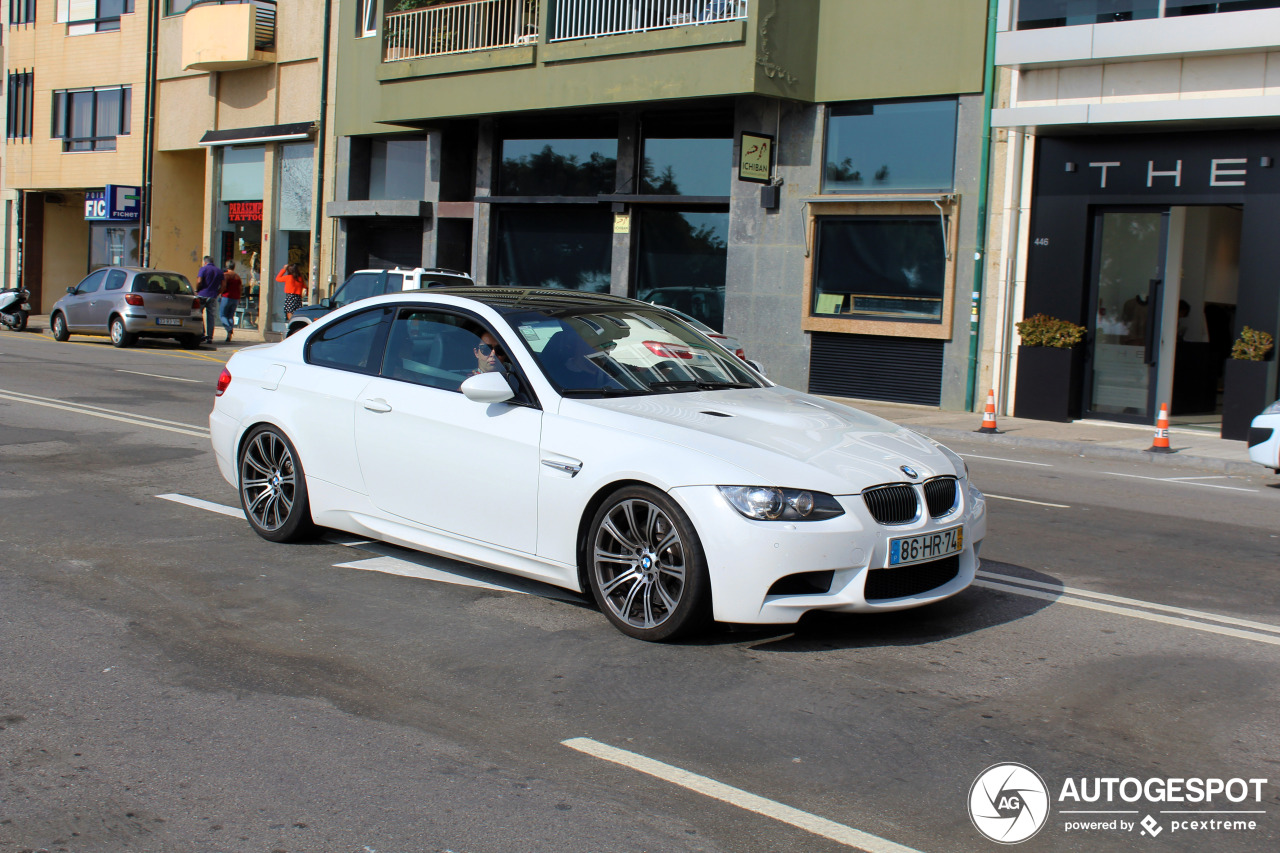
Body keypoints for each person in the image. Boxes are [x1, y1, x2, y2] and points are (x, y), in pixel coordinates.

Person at [195, 255, 224, 343]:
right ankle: (210, 337)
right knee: (211, 317)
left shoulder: (203, 269)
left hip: (202, 295)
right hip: (213, 296)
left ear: (205, 262)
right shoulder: (219, 271)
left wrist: (197, 290)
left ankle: (202, 333)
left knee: (199, 315)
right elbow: (223, 286)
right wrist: (217, 292)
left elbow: (199, 281)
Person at [220, 261, 243, 343]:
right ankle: (229, 335)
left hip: (227, 297)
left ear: (227, 266)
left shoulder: (226, 275)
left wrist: (220, 293)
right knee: (230, 316)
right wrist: (239, 297)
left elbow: (224, 286)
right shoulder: (237, 277)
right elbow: (240, 288)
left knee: (222, 315)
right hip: (235, 298)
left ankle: (229, 329)